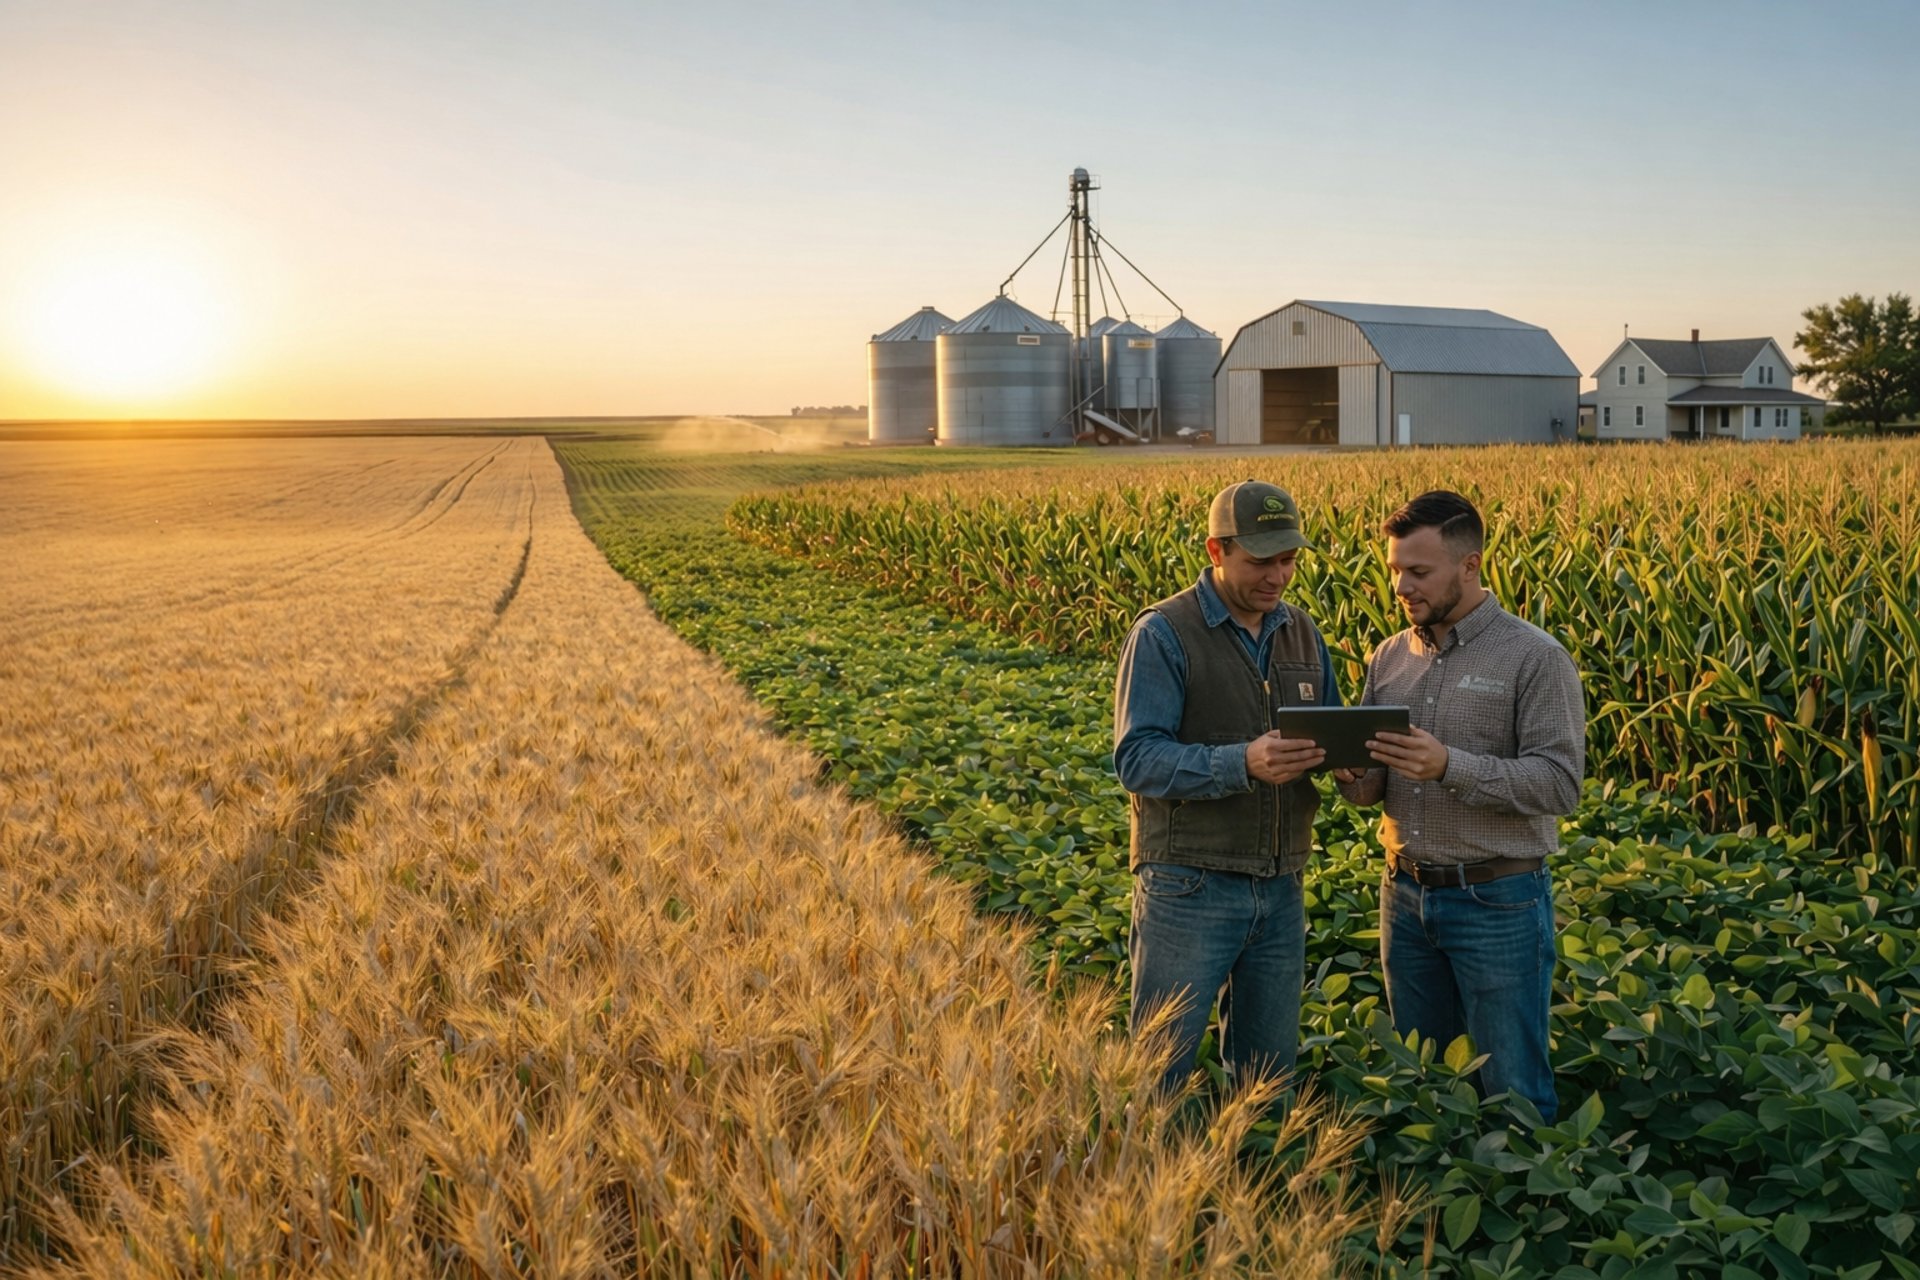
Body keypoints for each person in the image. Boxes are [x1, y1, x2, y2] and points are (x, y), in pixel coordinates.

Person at [1334, 490, 1585, 1122]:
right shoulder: (1388, 657)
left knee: (1512, 1089)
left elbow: (1560, 784)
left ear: (1470, 566)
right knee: (1423, 1079)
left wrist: (1451, 766)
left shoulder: (1535, 657)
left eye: (1418, 572)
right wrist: (1348, 773)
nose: (1401, 586)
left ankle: (1528, 1207)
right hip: (1404, 896)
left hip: (1497, 902)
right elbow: (1371, 788)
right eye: (1394, 570)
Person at [1114, 480, 1339, 1093]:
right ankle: (1145, 1185)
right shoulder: (1164, 632)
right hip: (1189, 884)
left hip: (1280, 883)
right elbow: (1137, 759)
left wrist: (1351, 761)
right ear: (1217, 551)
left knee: (1267, 1081)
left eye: (1288, 559)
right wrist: (1242, 762)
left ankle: (1254, 1182)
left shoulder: (1302, 632)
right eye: (1261, 561)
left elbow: (1330, 728)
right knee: (1158, 1075)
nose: (1278, 576)